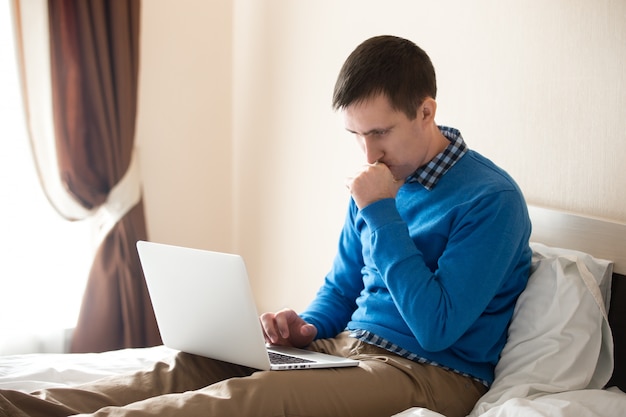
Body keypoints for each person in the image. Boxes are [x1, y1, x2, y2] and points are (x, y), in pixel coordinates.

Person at [0, 35, 531, 417]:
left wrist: (380, 212)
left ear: (425, 110)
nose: (368, 152)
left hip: (430, 374)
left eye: (380, 132)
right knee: (194, 366)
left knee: (251, 398)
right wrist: (304, 327)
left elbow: (436, 327)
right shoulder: (379, 184)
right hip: (348, 348)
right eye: (355, 135)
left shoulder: (492, 200)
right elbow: (343, 288)